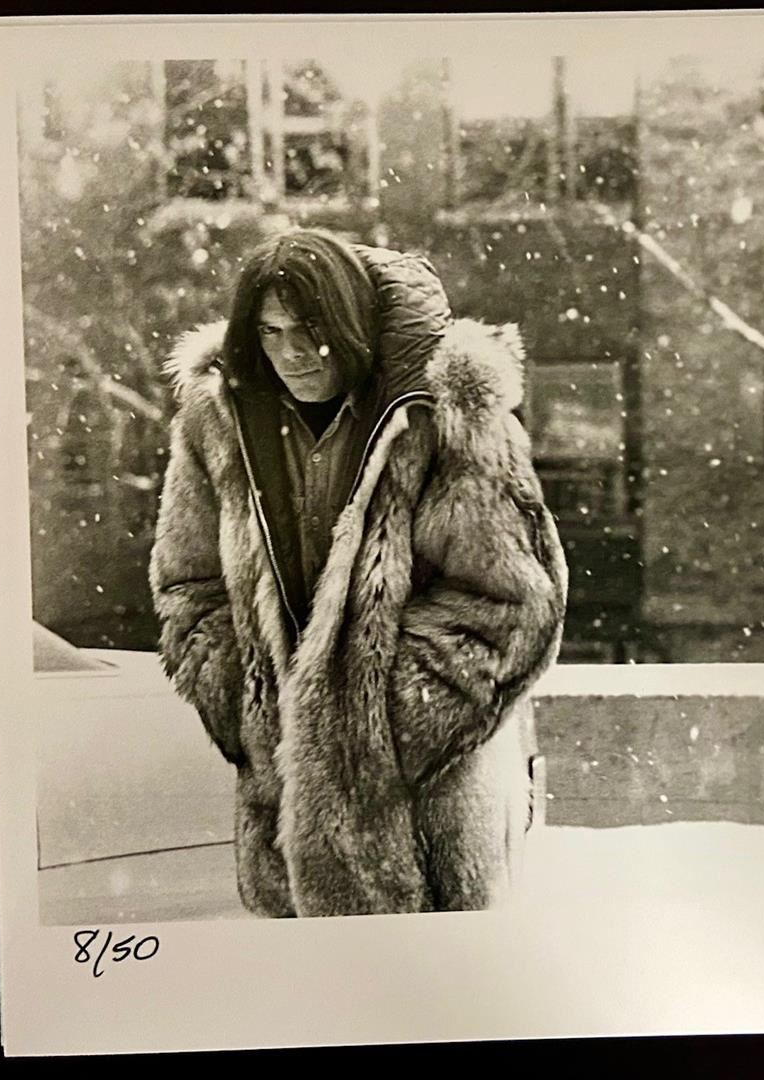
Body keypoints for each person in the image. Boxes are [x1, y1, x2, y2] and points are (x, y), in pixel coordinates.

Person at [148, 227, 568, 917]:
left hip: (425, 817)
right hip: (281, 819)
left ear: (349, 325)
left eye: (311, 330)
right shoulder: (220, 419)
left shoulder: (441, 414)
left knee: (427, 983)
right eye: (271, 332)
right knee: (304, 983)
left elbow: (511, 601)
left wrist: (380, 732)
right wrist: (249, 709)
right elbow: (188, 587)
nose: (292, 353)